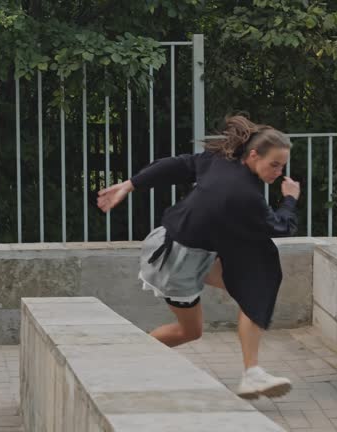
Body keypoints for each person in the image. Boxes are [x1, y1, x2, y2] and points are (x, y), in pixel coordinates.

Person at [97, 115, 301, 399]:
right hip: (175, 263)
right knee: (190, 332)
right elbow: (280, 227)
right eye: (274, 165)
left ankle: (252, 373)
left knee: (254, 290)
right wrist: (290, 198)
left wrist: (130, 184)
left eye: (283, 166)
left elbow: (178, 165)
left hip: (186, 249)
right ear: (253, 155)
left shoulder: (219, 161)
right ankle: (129, 360)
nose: (278, 173)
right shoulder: (244, 194)